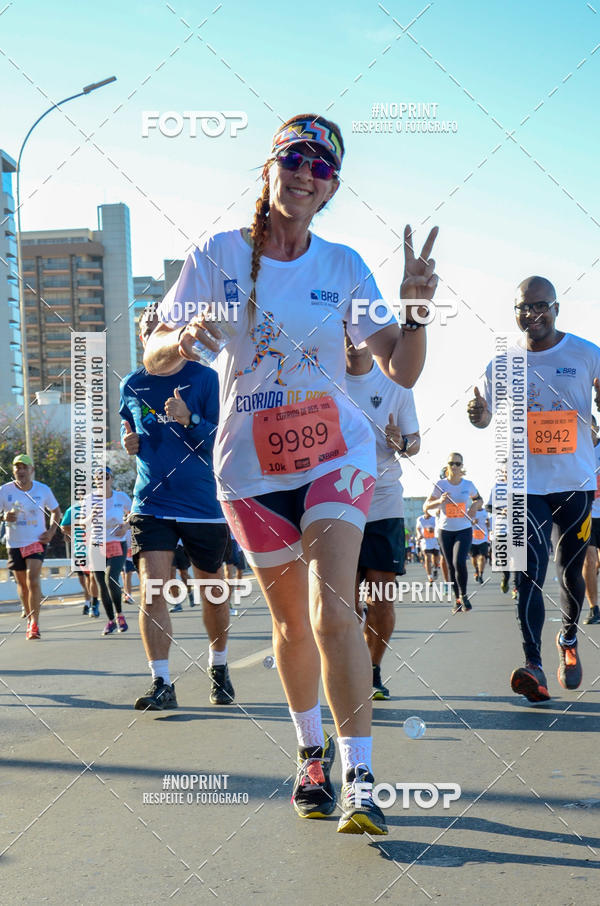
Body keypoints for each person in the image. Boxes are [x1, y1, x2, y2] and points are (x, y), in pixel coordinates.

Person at [144, 113, 438, 835]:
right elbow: (153, 352)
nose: (307, 173)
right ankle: (311, 751)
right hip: (249, 467)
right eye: (294, 158)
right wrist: (180, 340)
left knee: (334, 611)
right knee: (289, 623)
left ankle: (360, 773)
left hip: (335, 457)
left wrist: (417, 308)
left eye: (322, 167)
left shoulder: (342, 265)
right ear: (270, 168)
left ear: (330, 188)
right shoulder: (216, 254)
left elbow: (399, 366)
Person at [468, 276, 600, 701]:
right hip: (524, 484)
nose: (532, 314)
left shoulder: (586, 354)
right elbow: (484, 417)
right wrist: (478, 414)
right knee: (530, 573)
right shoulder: (502, 362)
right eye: (524, 307)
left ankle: (567, 638)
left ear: (557, 307)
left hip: (575, 483)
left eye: (540, 305)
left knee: (570, 574)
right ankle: (534, 666)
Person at [120, 306, 233, 710]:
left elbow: (223, 444)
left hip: (203, 504)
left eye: (160, 327)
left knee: (212, 589)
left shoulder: (206, 378)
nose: (154, 333)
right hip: (151, 501)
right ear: (142, 340)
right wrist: (127, 443)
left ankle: (219, 664)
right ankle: (161, 682)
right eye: (147, 329)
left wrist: (190, 420)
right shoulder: (132, 384)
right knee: (153, 588)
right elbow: (129, 427)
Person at [345, 332, 420, 701]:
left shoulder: (396, 385)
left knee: (380, 599)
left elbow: (415, 440)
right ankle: (348, 665)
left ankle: (371, 670)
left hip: (383, 501)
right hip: (335, 501)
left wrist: (401, 443)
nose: (347, 341)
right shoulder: (322, 380)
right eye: (340, 333)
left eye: (354, 335)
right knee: (340, 602)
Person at [0, 454, 61, 639]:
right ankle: (28, 619)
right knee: (22, 585)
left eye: (25, 467)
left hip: (36, 541)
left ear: (31, 470)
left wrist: (51, 532)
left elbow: (56, 512)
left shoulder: (43, 490)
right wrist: (4, 517)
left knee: (32, 579)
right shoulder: (4, 490)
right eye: (18, 468)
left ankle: (35, 623)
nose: (21, 471)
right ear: (13, 471)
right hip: (14, 543)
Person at [424, 453, 481, 613]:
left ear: (462, 466)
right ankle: (457, 600)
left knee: (459, 562)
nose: (454, 466)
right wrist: (439, 501)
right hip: (445, 531)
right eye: (451, 463)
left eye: (458, 463)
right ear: (447, 465)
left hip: (463, 529)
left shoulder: (468, 484)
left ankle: (463, 595)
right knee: (450, 566)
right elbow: (426, 506)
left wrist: (473, 508)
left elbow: (479, 499)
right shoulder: (440, 484)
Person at [87, 468, 131, 635]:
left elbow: (135, 513)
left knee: (111, 578)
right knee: (101, 585)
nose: (101, 480)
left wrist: (126, 526)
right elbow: (82, 523)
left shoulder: (121, 497)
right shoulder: (89, 499)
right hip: (96, 545)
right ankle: (111, 620)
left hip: (117, 543)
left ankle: (120, 615)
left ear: (111, 479)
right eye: (98, 478)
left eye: (105, 477)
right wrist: (91, 516)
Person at [60, 505, 100, 616]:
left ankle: (92, 602)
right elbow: (63, 527)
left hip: (94, 548)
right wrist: (76, 528)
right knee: (83, 579)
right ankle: (89, 600)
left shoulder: (97, 507)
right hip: (79, 549)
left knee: (91, 576)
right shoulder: (72, 510)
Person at [583, 416, 600, 625]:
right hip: (586, 515)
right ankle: (594, 608)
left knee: (595, 563)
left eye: (591, 427)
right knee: (589, 560)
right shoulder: (575, 452)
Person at [415, 512, 441, 583]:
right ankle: (430, 576)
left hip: (435, 541)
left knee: (435, 559)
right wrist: (419, 535)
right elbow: (418, 528)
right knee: (427, 558)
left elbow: (440, 527)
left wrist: (433, 530)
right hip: (425, 541)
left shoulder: (435, 518)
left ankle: (435, 568)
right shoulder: (420, 519)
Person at [470, 508, 489, 584]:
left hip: (483, 539)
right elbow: (464, 523)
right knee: (473, 558)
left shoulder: (486, 512)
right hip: (472, 539)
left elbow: (489, 525)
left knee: (482, 557)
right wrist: (473, 523)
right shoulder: (470, 511)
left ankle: (481, 575)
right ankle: (476, 570)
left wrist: (488, 523)